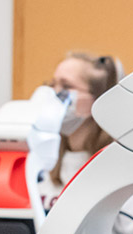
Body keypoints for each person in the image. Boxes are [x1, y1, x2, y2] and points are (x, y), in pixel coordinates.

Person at [39, 50, 123, 209]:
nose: (54, 94)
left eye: (66, 86)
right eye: (52, 85)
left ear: (97, 98)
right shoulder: (45, 161)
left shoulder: (121, 166)